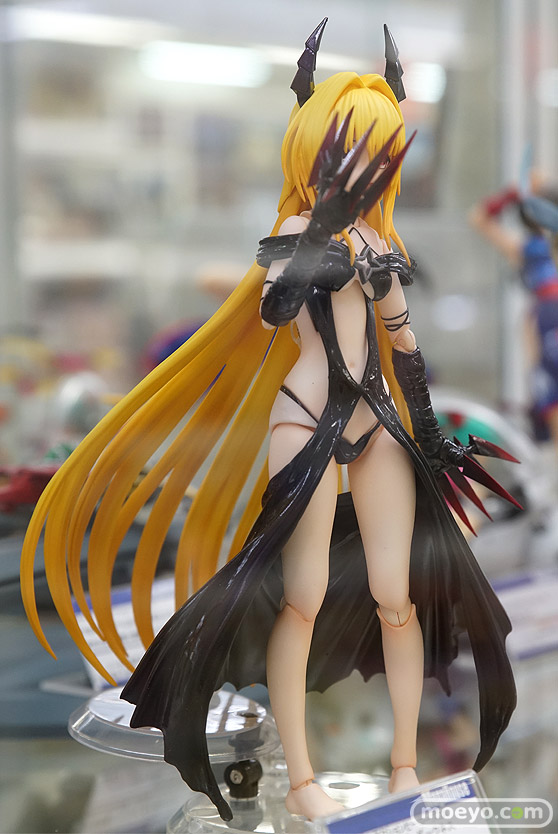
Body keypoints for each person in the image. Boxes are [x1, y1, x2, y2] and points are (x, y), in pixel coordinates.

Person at [21, 23, 517, 823]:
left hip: (377, 417)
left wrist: (427, 433)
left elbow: (403, 342)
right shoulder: (292, 234)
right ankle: (303, 778)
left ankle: (405, 766)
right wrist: (321, 238)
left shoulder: (380, 238)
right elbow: (275, 309)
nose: (359, 166)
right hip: (305, 416)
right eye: (348, 150)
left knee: (399, 596)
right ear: (313, 151)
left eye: (374, 152)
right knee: (302, 598)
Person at [469, 182, 558, 450]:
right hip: (544, 325)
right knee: (550, 401)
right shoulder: (532, 249)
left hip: (544, 323)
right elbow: (478, 218)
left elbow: (478, 218)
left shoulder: (532, 250)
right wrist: (514, 193)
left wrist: (516, 193)